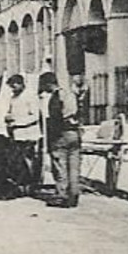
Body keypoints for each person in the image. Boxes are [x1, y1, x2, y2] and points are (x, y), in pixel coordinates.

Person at [0, 73, 40, 198]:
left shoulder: (30, 97)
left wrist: (18, 122)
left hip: (28, 134)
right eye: (11, 87)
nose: (13, 89)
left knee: (24, 161)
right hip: (15, 134)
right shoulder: (14, 97)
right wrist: (8, 117)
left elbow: (35, 116)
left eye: (14, 86)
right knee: (16, 161)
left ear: (21, 84)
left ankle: (27, 186)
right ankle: (19, 185)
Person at [40, 71, 80, 208]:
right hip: (74, 134)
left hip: (61, 135)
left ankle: (62, 196)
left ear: (48, 84)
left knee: (60, 167)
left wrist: (52, 140)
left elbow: (57, 118)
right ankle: (74, 195)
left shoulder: (56, 98)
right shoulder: (70, 94)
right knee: (74, 167)